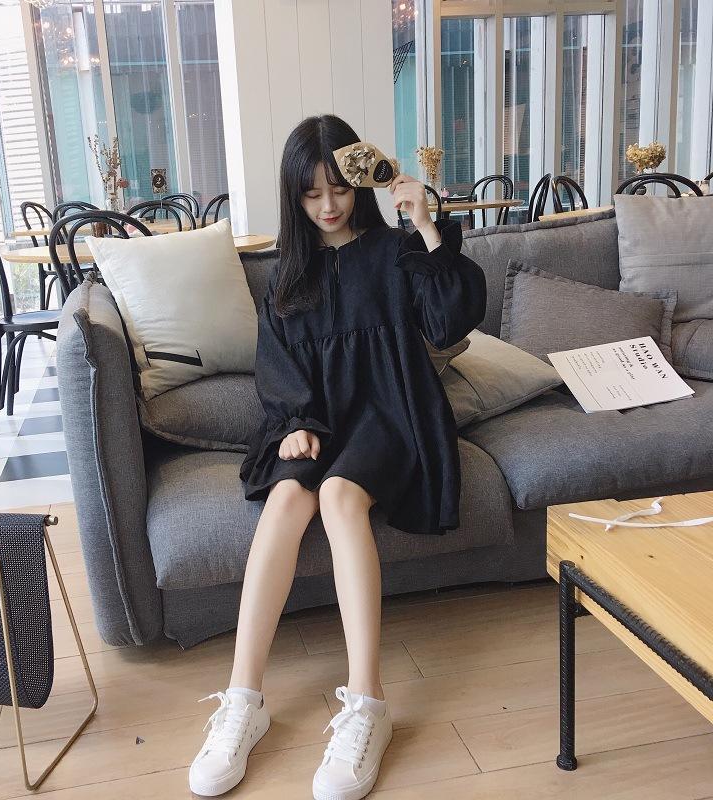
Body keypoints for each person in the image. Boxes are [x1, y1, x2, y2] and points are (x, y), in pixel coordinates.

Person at [188, 114, 487, 800]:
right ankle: (243, 701)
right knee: (288, 496)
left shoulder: (396, 251)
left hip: (389, 413)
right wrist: (293, 423)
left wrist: (427, 225)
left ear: (359, 183)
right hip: (317, 419)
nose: (328, 205)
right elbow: (277, 367)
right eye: (311, 193)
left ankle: (368, 705)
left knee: (338, 496)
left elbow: (448, 320)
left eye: (339, 189)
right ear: (293, 196)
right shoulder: (286, 276)